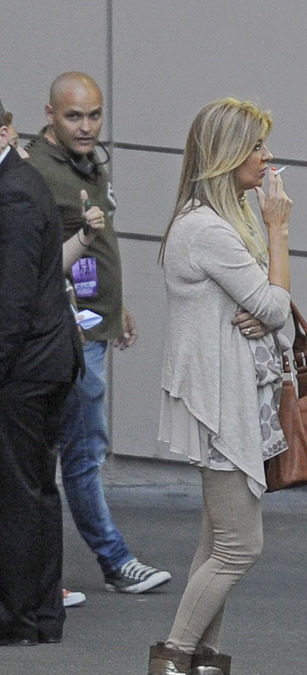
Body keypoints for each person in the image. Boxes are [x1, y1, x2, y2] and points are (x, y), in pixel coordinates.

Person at [142, 97, 292, 675]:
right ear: (229, 155)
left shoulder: (214, 224)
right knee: (239, 546)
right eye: (256, 146)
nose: (267, 157)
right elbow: (279, 307)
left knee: (216, 546)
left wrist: (267, 308)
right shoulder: (209, 228)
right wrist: (279, 230)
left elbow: (271, 315)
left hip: (226, 399)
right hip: (219, 404)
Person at [28, 72, 171, 594]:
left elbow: (95, 248)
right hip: (63, 337)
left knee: (67, 452)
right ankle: (111, 561)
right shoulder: (37, 173)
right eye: (73, 116)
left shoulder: (89, 162)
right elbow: (38, 259)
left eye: (94, 115)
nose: (87, 126)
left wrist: (116, 307)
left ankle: (46, 575)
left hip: (91, 326)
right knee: (78, 453)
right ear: (49, 114)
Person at [3, 109, 104, 610]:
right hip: (45, 356)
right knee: (40, 482)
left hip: (30, 364)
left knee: (32, 485)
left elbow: (16, 298)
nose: (87, 125)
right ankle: (40, 607)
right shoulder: (30, 179)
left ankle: (29, 610)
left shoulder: (17, 189)